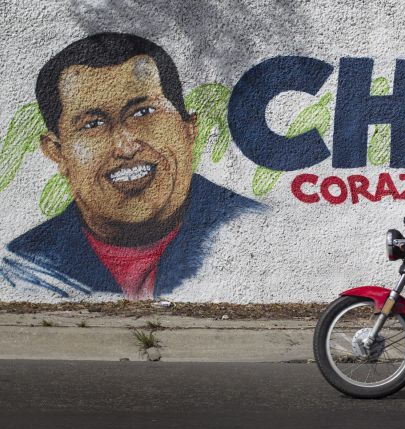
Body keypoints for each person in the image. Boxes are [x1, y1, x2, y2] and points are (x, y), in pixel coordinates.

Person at [1, 33, 263, 300]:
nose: (125, 147)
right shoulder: (22, 268)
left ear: (188, 129)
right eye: (93, 124)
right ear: (57, 152)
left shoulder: (256, 231)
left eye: (143, 113)